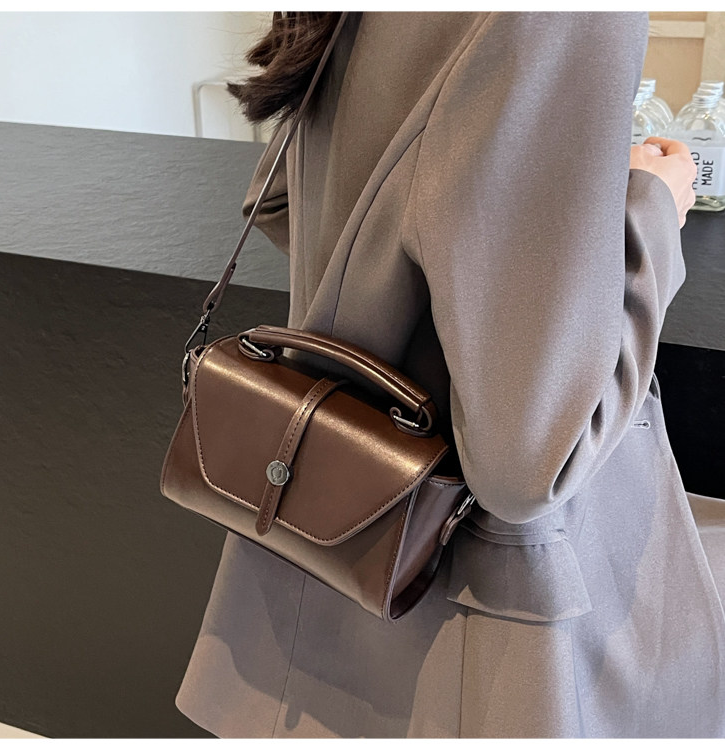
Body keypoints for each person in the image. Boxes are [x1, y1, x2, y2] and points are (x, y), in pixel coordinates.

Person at [174, 12, 725, 737]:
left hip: (321, 544)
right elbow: (532, 466)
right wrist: (648, 208)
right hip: (482, 606)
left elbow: (273, 202)